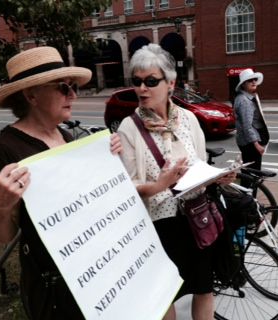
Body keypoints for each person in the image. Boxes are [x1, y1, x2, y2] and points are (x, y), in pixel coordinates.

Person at [0, 46, 122, 320]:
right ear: (31, 94)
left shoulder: (66, 138)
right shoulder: (4, 150)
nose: (73, 94)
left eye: (72, 87)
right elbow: (3, 235)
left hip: (91, 271)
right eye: (62, 87)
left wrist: (106, 163)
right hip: (54, 285)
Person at [117, 43, 235, 320]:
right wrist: (160, 184)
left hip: (195, 217)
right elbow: (128, 188)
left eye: (151, 81)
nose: (142, 88)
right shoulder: (128, 128)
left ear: (170, 84)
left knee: (204, 288)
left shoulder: (190, 120)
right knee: (167, 295)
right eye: (137, 82)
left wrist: (218, 179)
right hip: (159, 227)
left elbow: (200, 166)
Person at [234, 68, 270, 177]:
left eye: (254, 79)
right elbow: (247, 126)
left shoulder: (246, 97)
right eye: (250, 80)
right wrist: (257, 145)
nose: (254, 81)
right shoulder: (244, 101)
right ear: (243, 84)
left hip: (247, 142)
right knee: (253, 175)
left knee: (248, 173)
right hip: (250, 144)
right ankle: (249, 193)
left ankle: (247, 192)